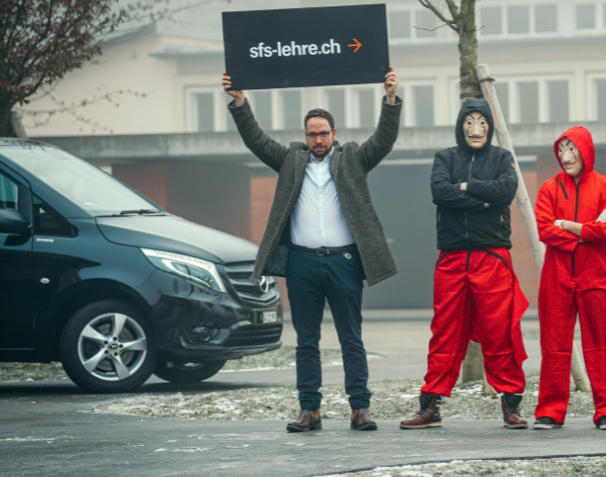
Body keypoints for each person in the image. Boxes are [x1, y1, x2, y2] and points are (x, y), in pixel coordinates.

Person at [221, 68, 401, 433]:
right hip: (302, 264)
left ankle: (360, 409)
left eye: (323, 133)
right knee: (306, 341)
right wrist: (240, 101)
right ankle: (309, 411)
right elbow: (256, 139)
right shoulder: (291, 160)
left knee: (351, 338)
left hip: (344, 263)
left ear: (334, 134)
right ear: (305, 137)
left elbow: (383, 139)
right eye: (312, 134)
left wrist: (391, 99)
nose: (318, 139)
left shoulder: (353, 158)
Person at [400, 98, 530, 430]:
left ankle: (511, 405)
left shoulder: (502, 158)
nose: (476, 128)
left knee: (502, 331)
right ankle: (430, 406)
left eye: (482, 122)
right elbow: (440, 192)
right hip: (453, 257)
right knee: (444, 332)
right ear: (460, 126)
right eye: (469, 122)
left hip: (493, 257)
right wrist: (484, 199)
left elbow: (506, 189)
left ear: (490, 126)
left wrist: (467, 187)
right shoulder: (445, 157)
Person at [532, 126, 606, 430]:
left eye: (572, 149)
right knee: (554, 343)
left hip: (596, 275)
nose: (565, 156)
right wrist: (587, 232)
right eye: (561, 149)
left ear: (586, 151)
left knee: (601, 343)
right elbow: (544, 229)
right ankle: (550, 410)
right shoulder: (549, 188)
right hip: (556, 276)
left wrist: (569, 226)